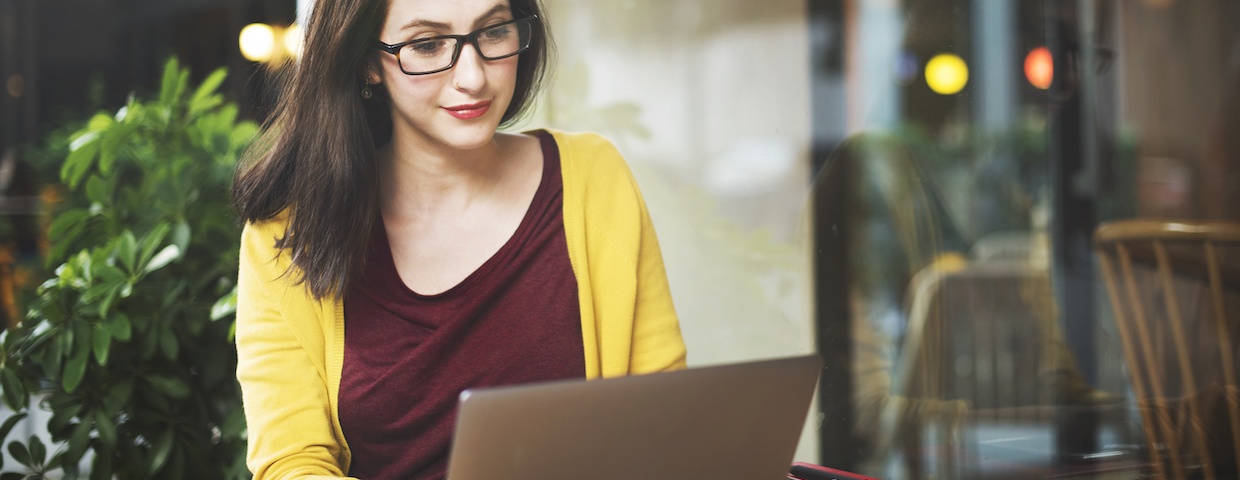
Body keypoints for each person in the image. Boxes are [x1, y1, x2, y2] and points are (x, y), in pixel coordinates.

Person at [229, 0, 687, 478]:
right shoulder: (285, 236)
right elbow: (292, 461)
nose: (473, 77)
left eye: (492, 33)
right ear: (366, 61)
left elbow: (663, 417)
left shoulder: (594, 179)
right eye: (427, 45)